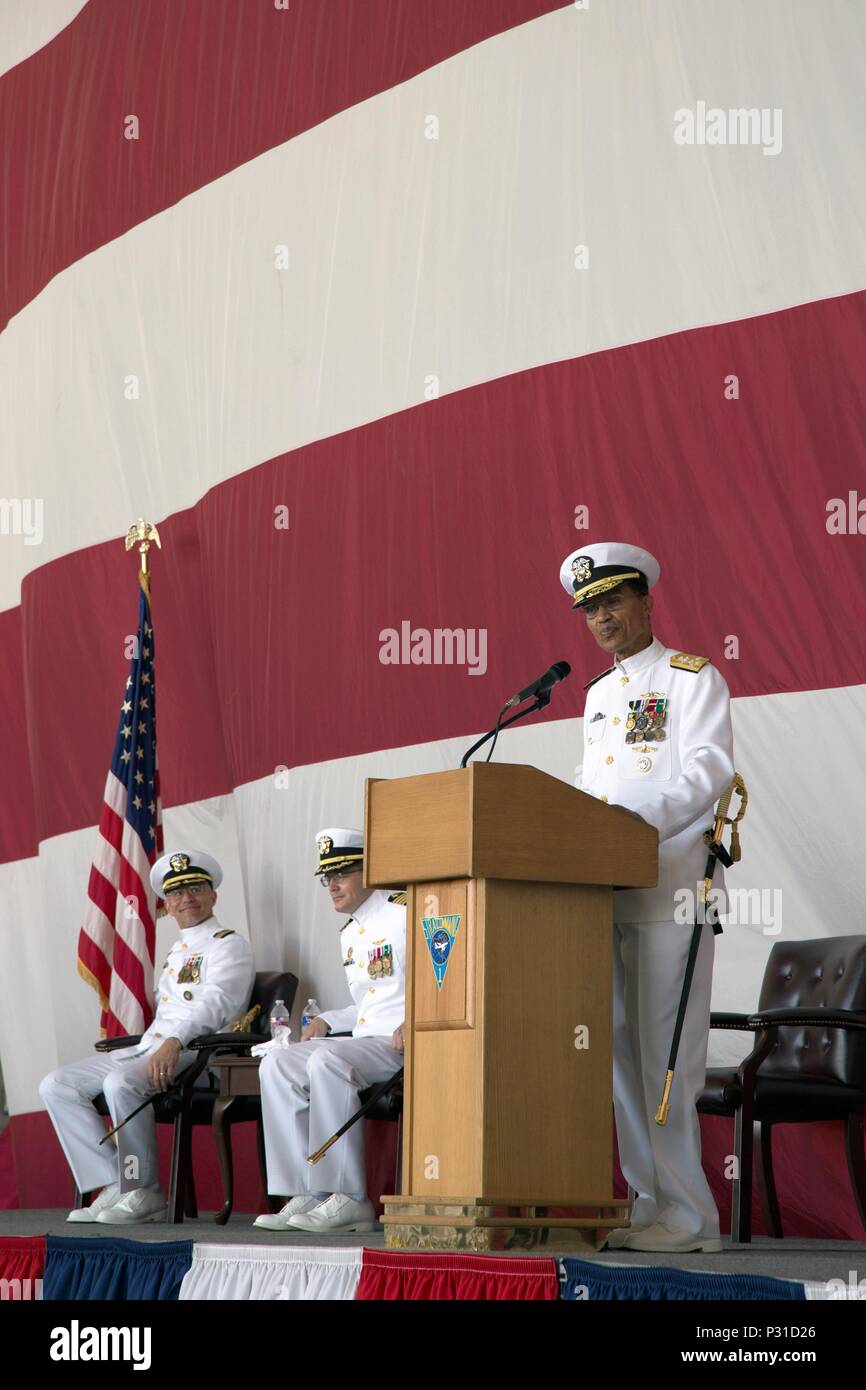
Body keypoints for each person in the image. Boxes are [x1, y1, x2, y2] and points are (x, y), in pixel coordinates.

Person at [560, 542, 734, 1253]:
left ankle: (692, 1217)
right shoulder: (598, 696)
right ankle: (646, 1200)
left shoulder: (692, 678)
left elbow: (709, 771)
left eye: (613, 601)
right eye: (590, 608)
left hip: (670, 887)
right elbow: (591, 785)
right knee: (618, 1051)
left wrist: (637, 823)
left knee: (668, 1054)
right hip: (606, 891)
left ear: (645, 601)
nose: (603, 616)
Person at [40, 851, 254, 1224]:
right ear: (167, 905)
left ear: (213, 896)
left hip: (198, 1055)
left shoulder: (228, 944)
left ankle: (143, 1191)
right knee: (57, 1084)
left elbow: (217, 1005)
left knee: (120, 1082)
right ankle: (112, 1182)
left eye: (196, 889)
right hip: (153, 1048)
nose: (186, 898)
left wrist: (175, 1040)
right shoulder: (177, 951)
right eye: (176, 893)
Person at [255, 828, 405, 1234]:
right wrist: (330, 1021)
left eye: (342, 873)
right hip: (365, 1040)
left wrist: (423, 1017)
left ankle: (349, 1198)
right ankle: (305, 1190)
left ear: (369, 870)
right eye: (327, 877)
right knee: (278, 1063)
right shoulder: (351, 931)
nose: (332, 885)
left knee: (327, 1059)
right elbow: (370, 1004)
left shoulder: (405, 909)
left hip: (406, 1041)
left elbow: (446, 974)